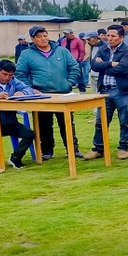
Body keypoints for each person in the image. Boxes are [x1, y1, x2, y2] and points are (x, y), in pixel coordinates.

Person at [14, 25, 83, 160]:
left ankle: (72, 149)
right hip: (41, 95)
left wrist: (69, 83)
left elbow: (74, 67)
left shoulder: (62, 51)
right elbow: (20, 74)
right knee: (44, 124)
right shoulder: (26, 54)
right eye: (39, 37)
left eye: (45, 35)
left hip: (63, 94)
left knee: (67, 123)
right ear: (33, 39)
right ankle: (47, 151)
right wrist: (30, 89)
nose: (43, 39)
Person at [84, 24, 128, 161]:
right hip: (105, 91)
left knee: (124, 120)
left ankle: (123, 147)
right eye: (108, 35)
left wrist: (104, 65)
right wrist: (111, 63)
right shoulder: (103, 49)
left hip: (122, 91)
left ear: (121, 37)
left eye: (113, 36)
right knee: (100, 121)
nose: (109, 39)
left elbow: (123, 69)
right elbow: (94, 66)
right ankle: (98, 148)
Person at [0, 60, 35, 170]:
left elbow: (28, 89)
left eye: (10, 75)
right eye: (4, 74)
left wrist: (22, 93)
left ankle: (15, 158)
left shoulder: (14, 81)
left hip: (10, 122)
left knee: (29, 134)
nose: (7, 78)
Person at [60, 28, 86, 92]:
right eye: (65, 34)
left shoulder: (78, 40)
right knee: (67, 74)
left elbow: (82, 50)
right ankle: (69, 87)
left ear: (71, 33)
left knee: (79, 74)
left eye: (67, 33)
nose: (66, 35)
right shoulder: (63, 40)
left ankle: (81, 88)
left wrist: (80, 58)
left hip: (75, 59)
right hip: (65, 60)